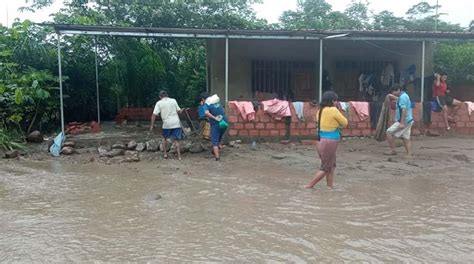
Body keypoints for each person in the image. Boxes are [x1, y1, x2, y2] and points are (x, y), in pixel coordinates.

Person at [305, 91, 348, 189]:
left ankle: (330, 187)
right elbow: (345, 122)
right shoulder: (333, 110)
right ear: (332, 101)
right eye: (335, 100)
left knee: (331, 166)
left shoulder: (320, 111)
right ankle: (309, 186)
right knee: (326, 167)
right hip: (330, 141)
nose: (337, 102)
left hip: (320, 141)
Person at [149, 90, 184, 160]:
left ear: (160, 96)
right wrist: (182, 110)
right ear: (167, 95)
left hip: (167, 124)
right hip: (176, 123)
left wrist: (152, 125)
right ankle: (179, 156)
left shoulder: (159, 103)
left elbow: (154, 115)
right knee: (176, 140)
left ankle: (165, 154)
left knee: (164, 138)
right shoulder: (173, 100)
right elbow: (179, 111)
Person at [384, 84, 414, 157]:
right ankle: (409, 154)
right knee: (406, 138)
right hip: (409, 120)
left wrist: (402, 122)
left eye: (394, 92)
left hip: (404, 121)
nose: (393, 93)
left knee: (388, 132)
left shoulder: (402, 97)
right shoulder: (404, 96)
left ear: (398, 90)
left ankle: (393, 150)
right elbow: (399, 100)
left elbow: (403, 109)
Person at [200, 92, 227, 161]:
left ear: (203, 99)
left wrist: (214, 117)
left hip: (216, 123)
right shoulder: (216, 101)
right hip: (224, 122)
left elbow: (206, 113)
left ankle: (217, 157)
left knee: (214, 140)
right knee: (219, 138)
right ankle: (214, 151)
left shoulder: (206, 104)